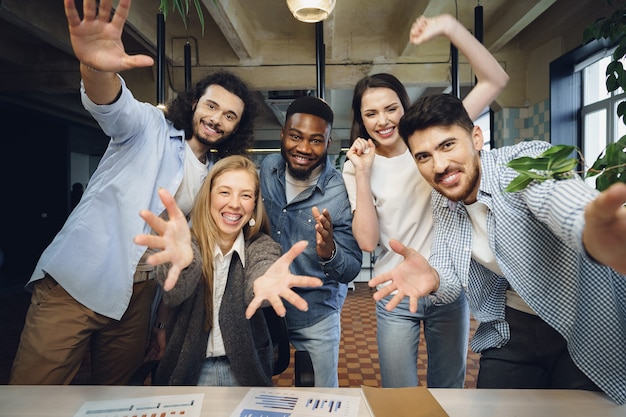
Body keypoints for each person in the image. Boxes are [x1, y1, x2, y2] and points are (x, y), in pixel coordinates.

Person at [10, 0, 260, 385]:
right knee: (32, 398)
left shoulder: (215, 177)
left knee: (119, 398)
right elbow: (111, 105)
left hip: (140, 297)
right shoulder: (149, 126)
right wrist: (95, 67)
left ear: (236, 128)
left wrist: (161, 321)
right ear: (195, 103)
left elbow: (186, 250)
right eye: (212, 106)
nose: (217, 119)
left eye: (230, 116)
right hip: (76, 282)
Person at [370, 92, 626, 405]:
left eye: (447, 145)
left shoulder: (525, 161)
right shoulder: (443, 198)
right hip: (512, 328)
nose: (439, 165)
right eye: (423, 156)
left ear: (476, 138)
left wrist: (590, 230)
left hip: (583, 323)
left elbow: (559, 199)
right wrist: (434, 279)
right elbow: (450, 281)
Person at [342, 14, 509, 388]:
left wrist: (450, 28)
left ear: (404, 106)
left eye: (391, 108)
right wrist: (364, 172)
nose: (383, 120)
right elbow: (367, 242)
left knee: (448, 389)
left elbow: (495, 79)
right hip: (395, 290)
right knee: (397, 395)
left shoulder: (433, 144)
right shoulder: (356, 167)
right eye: (371, 113)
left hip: (448, 285)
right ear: (361, 120)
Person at [134, 155, 322, 386]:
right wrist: (182, 264)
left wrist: (264, 283)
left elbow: (262, 268)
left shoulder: (261, 245)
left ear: (254, 205)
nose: (234, 203)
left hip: (245, 373)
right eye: (224, 192)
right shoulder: (187, 245)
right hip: (186, 374)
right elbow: (175, 293)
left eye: (245, 195)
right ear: (208, 197)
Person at [260, 95, 363, 387]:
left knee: (320, 401)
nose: (304, 148)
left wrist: (329, 251)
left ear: (328, 143)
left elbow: (351, 269)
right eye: (295, 136)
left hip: (316, 313)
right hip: (266, 309)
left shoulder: (340, 191)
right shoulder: (269, 168)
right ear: (283, 134)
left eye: (316, 140)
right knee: (253, 391)